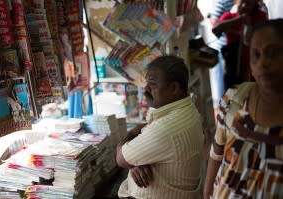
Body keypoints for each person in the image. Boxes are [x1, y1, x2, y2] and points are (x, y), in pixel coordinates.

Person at [204, 19, 283, 199]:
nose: (263, 63)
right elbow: (217, 152)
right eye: (256, 55)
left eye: (272, 53)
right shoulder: (234, 99)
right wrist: (207, 191)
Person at [116, 55, 204, 199]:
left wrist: (133, 131)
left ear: (174, 88)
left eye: (153, 85)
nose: (146, 89)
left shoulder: (167, 128)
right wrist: (135, 163)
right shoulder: (186, 109)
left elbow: (120, 158)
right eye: (146, 83)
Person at [212, 0, 267, 89]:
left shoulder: (260, 16)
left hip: (255, 70)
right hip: (233, 71)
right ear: (237, 2)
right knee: (230, 100)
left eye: (248, 3)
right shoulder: (230, 16)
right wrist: (238, 20)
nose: (245, 6)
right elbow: (215, 30)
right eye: (242, 2)